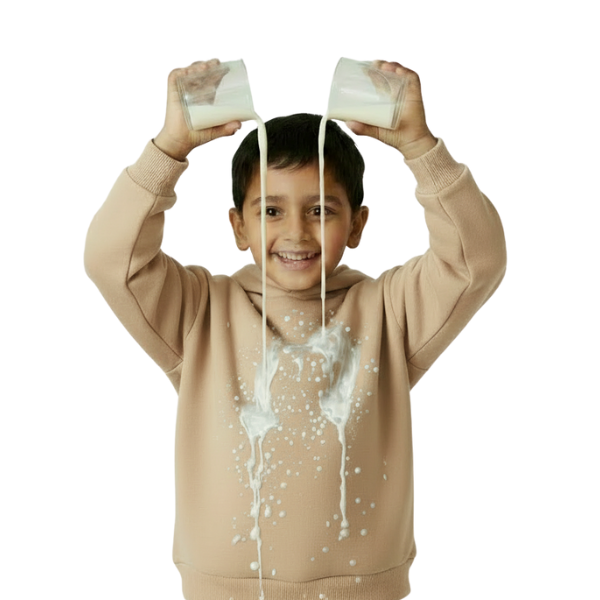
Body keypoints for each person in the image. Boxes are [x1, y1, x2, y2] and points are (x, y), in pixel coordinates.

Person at [84, 58, 506, 600]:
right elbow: (111, 260)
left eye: (321, 210)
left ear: (357, 224)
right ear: (238, 226)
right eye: (271, 211)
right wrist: (169, 149)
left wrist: (420, 147)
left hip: (363, 591)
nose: (296, 232)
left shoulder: (389, 312)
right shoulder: (197, 312)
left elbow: (476, 261)